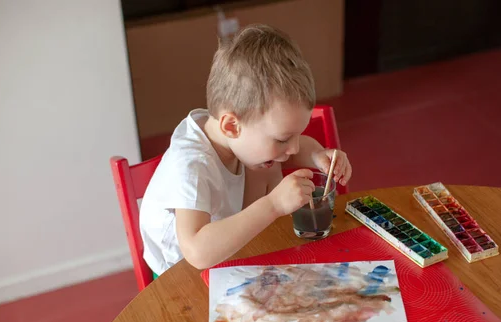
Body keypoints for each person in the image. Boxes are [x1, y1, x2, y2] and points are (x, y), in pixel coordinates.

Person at [139, 24, 353, 276]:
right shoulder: (191, 166)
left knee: (268, 164)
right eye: (284, 138)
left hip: (232, 251)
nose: (294, 147)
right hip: (180, 274)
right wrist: (273, 204)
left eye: (298, 135)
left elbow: (295, 150)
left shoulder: (235, 137)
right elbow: (197, 252)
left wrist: (318, 155)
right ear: (231, 126)